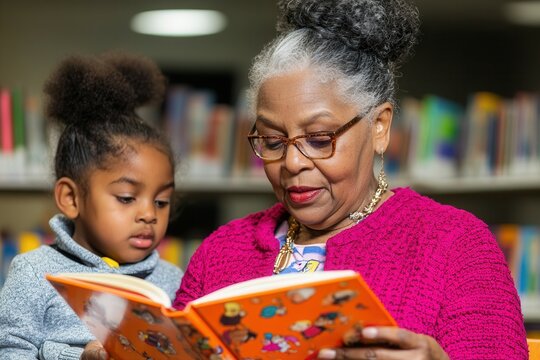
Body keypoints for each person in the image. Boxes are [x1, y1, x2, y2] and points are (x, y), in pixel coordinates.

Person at [174, 0, 528, 359]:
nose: (293, 162)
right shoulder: (222, 251)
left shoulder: (456, 246)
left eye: (319, 139)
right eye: (272, 141)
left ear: (379, 127)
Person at [0, 52, 183, 359]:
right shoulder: (33, 273)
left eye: (162, 201)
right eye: (126, 198)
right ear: (71, 198)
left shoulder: (173, 280)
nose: (149, 214)